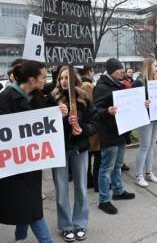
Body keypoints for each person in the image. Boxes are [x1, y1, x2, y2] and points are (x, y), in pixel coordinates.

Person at [0, 60, 68, 243]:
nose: (46, 80)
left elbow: (43, 121)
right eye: (43, 77)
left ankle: (20, 237)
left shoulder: (38, 95)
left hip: (32, 161)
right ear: (32, 79)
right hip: (14, 163)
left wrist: (57, 111)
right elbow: (3, 130)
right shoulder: (6, 97)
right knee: (32, 207)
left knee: (27, 203)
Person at [48, 67, 98, 241]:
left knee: (81, 188)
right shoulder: (51, 99)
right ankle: (66, 225)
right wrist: (59, 116)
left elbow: (94, 123)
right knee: (61, 189)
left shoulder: (84, 100)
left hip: (79, 149)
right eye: (61, 78)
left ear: (74, 80)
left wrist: (82, 129)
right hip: (58, 150)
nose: (63, 81)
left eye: (67, 78)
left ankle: (80, 223)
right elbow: (45, 125)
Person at [93, 58, 135, 215]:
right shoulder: (101, 88)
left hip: (121, 131)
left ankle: (118, 191)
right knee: (106, 169)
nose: (123, 72)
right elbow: (95, 110)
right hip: (109, 133)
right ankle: (104, 200)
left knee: (117, 165)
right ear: (111, 70)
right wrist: (106, 111)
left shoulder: (120, 85)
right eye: (120, 70)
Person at [133, 57, 157, 187]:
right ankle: (139, 175)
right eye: (155, 65)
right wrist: (141, 103)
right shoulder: (139, 82)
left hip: (156, 116)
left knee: (151, 145)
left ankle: (149, 172)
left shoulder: (155, 81)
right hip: (145, 118)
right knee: (144, 146)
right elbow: (132, 101)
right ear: (148, 66)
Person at [78, 65, 101, 192]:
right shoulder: (87, 86)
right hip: (92, 126)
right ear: (89, 72)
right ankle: (94, 181)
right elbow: (93, 104)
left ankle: (89, 180)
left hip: (87, 125)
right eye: (93, 71)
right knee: (97, 155)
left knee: (88, 155)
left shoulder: (80, 84)